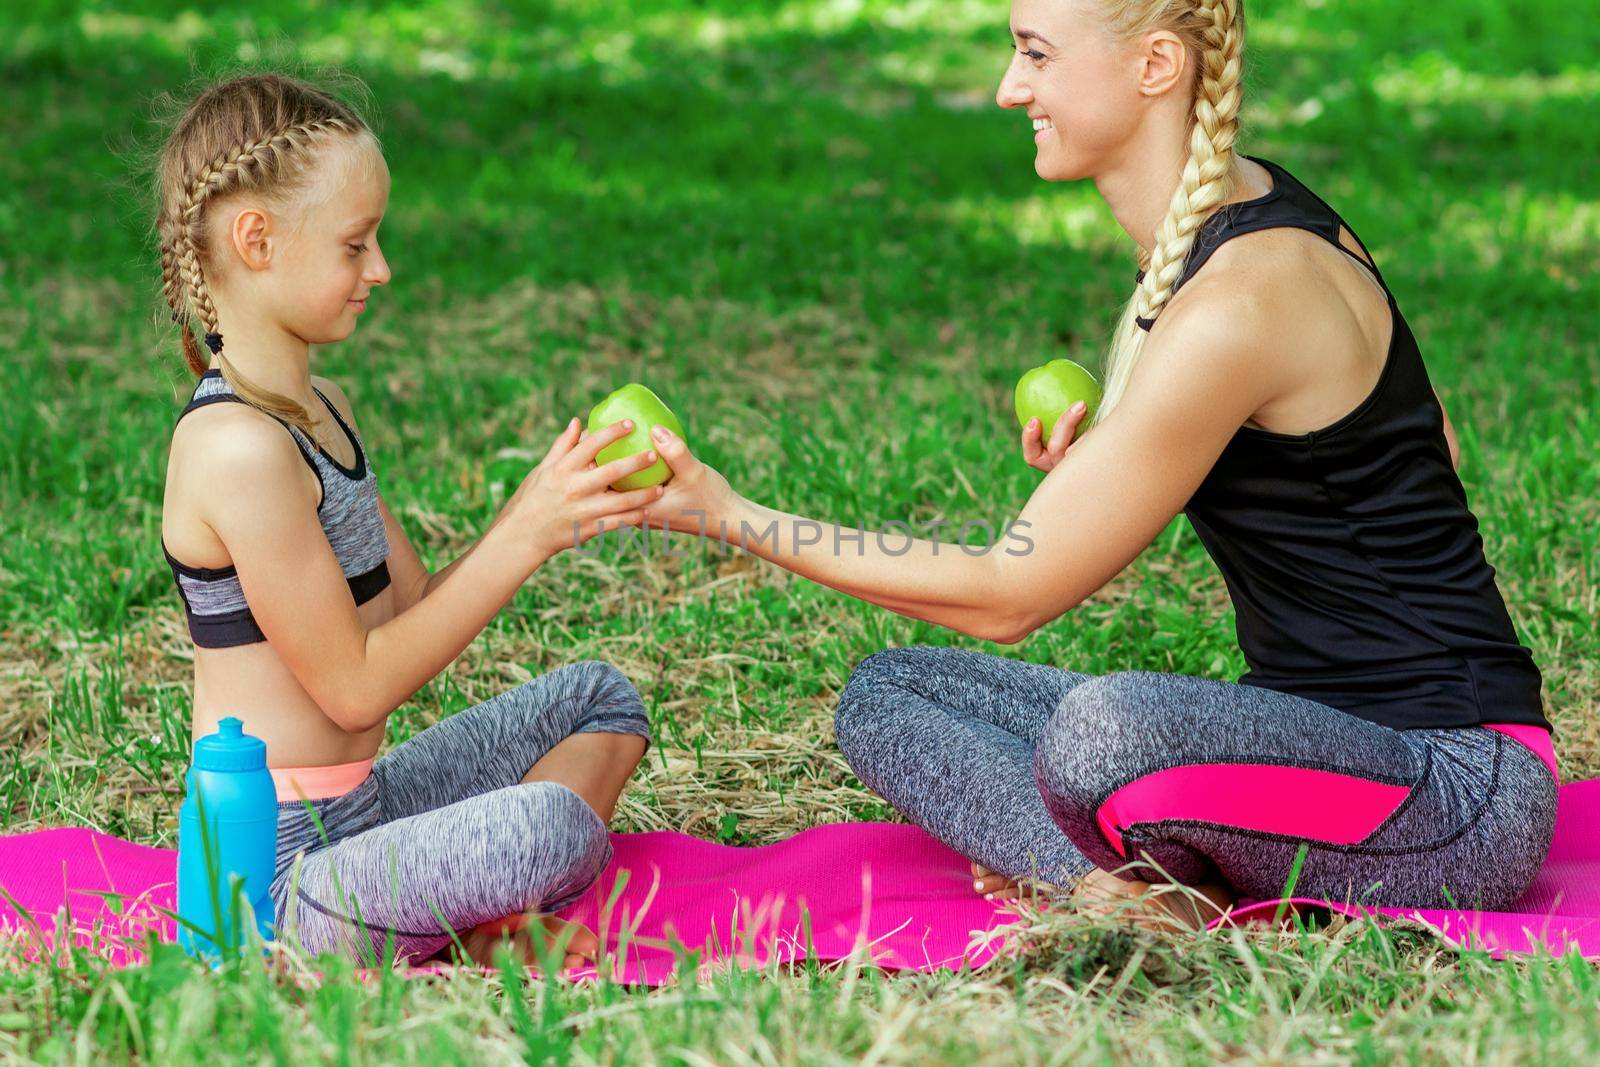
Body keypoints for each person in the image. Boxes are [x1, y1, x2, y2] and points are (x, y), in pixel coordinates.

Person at [639, 0, 1558, 925]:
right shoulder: (1239, 220)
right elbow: (1418, 443)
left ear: (1156, 64)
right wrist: (1125, 454)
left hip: (1454, 793)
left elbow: (1010, 595)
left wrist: (727, 510)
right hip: (1307, 750)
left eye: (1035, 54)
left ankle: (1130, 872)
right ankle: (1130, 888)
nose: (1009, 89)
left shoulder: (1239, 298)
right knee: (896, 692)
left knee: (1103, 732)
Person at [155, 73, 668, 964]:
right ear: (256, 240)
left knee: (602, 699)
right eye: (356, 244)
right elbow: (354, 686)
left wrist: (555, 509)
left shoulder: (326, 407)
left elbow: (408, 606)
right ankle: (469, 910)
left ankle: (458, 907)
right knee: (544, 825)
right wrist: (525, 530)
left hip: (364, 807)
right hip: (278, 877)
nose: (382, 269)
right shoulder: (235, 449)